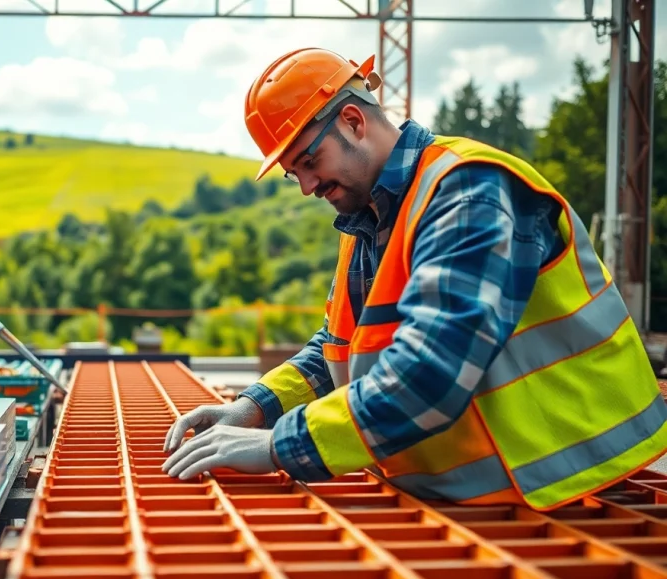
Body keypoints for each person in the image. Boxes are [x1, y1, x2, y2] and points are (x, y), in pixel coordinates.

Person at [162, 48, 667, 511]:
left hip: (567, 487)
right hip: (466, 499)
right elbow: (337, 349)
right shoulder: (368, 220)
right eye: (295, 175)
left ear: (354, 121)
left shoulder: (468, 191)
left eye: (309, 163)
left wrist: (279, 445)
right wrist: (253, 409)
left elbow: (430, 372)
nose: (307, 188)